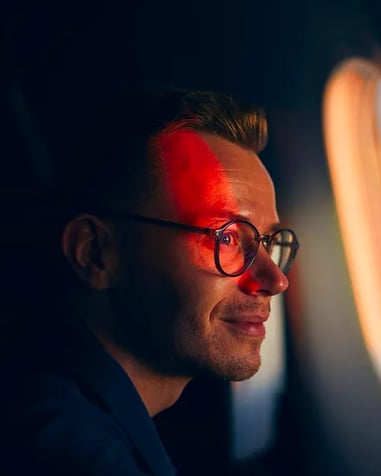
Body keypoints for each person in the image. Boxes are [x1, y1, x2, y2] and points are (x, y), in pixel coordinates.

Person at [0, 88, 299, 475]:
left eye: (269, 242)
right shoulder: (68, 453)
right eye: (226, 237)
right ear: (95, 252)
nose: (274, 280)